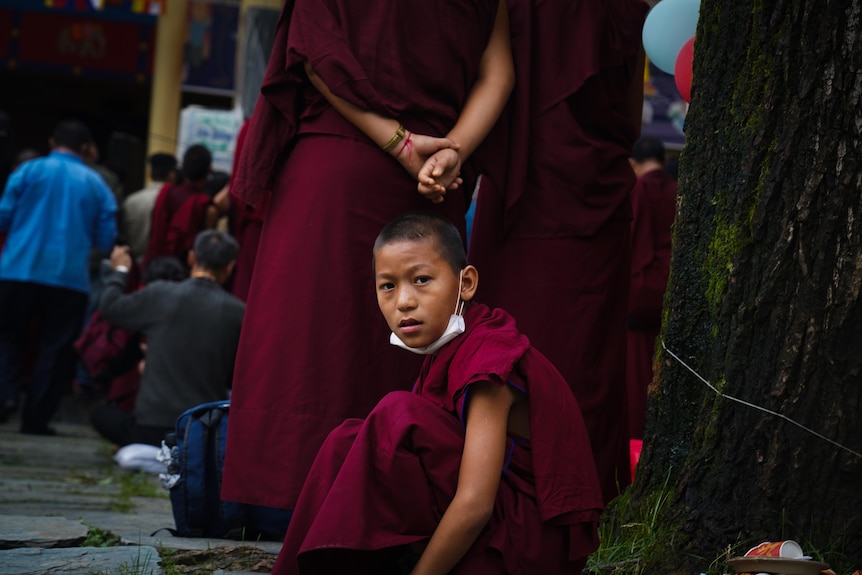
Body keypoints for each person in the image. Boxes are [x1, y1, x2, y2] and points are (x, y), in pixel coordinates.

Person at [221, 0, 515, 512]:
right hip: (434, 176)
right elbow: (499, 73)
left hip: (342, 157)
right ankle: (384, 501)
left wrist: (402, 145)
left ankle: (293, 499)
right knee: (400, 340)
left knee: (316, 335)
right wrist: (453, 151)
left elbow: (314, 55)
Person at [273, 212, 603, 575]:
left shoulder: (489, 358)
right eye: (388, 286)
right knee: (347, 440)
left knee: (398, 414)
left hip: (526, 541)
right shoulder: (445, 352)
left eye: (421, 280)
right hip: (496, 518)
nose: (404, 301)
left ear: (467, 283)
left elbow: (475, 503)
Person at [468, 0, 649, 503]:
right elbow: (630, 122)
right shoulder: (626, 9)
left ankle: (504, 504)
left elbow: (488, 80)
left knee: (506, 358)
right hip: (596, 196)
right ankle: (586, 504)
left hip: (522, 194)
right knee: (587, 367)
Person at [0, 119, 117, 433]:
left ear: (52, 143)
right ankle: (36, 420)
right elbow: (107, 238)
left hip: (18, 268)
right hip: (68, 277)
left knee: (8, 337)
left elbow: (3, 216)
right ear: (85, 149)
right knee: (55, 348)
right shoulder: (96, 184)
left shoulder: (27, 171)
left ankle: (6, 395)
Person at [90, 230, 244, 447]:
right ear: (230, 266)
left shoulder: (160, 294)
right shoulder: (238, 312)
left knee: (99, 413)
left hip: (150, 429)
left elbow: (110, 307)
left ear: (192, 257)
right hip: (200, 432)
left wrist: (121, 271)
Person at [626, 137, 677, 440]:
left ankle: (637, 438)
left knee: (637, 372)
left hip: (640, 290)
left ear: (634, 164)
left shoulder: (640, 190)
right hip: (669, 289)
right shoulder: (675, 189)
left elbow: (633, 241)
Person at [144, 144, 218, 265]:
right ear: (209, 170)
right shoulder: (207, 207)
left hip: (158, 267)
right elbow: (206, 252)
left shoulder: (166, 193)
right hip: (187, 273)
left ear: (182, 167)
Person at [123, 153, 178, 261]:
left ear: (150, 175)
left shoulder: (131, 200)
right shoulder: (174, 201)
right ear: (172, 175)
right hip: (164, 264)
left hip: (135, 263)